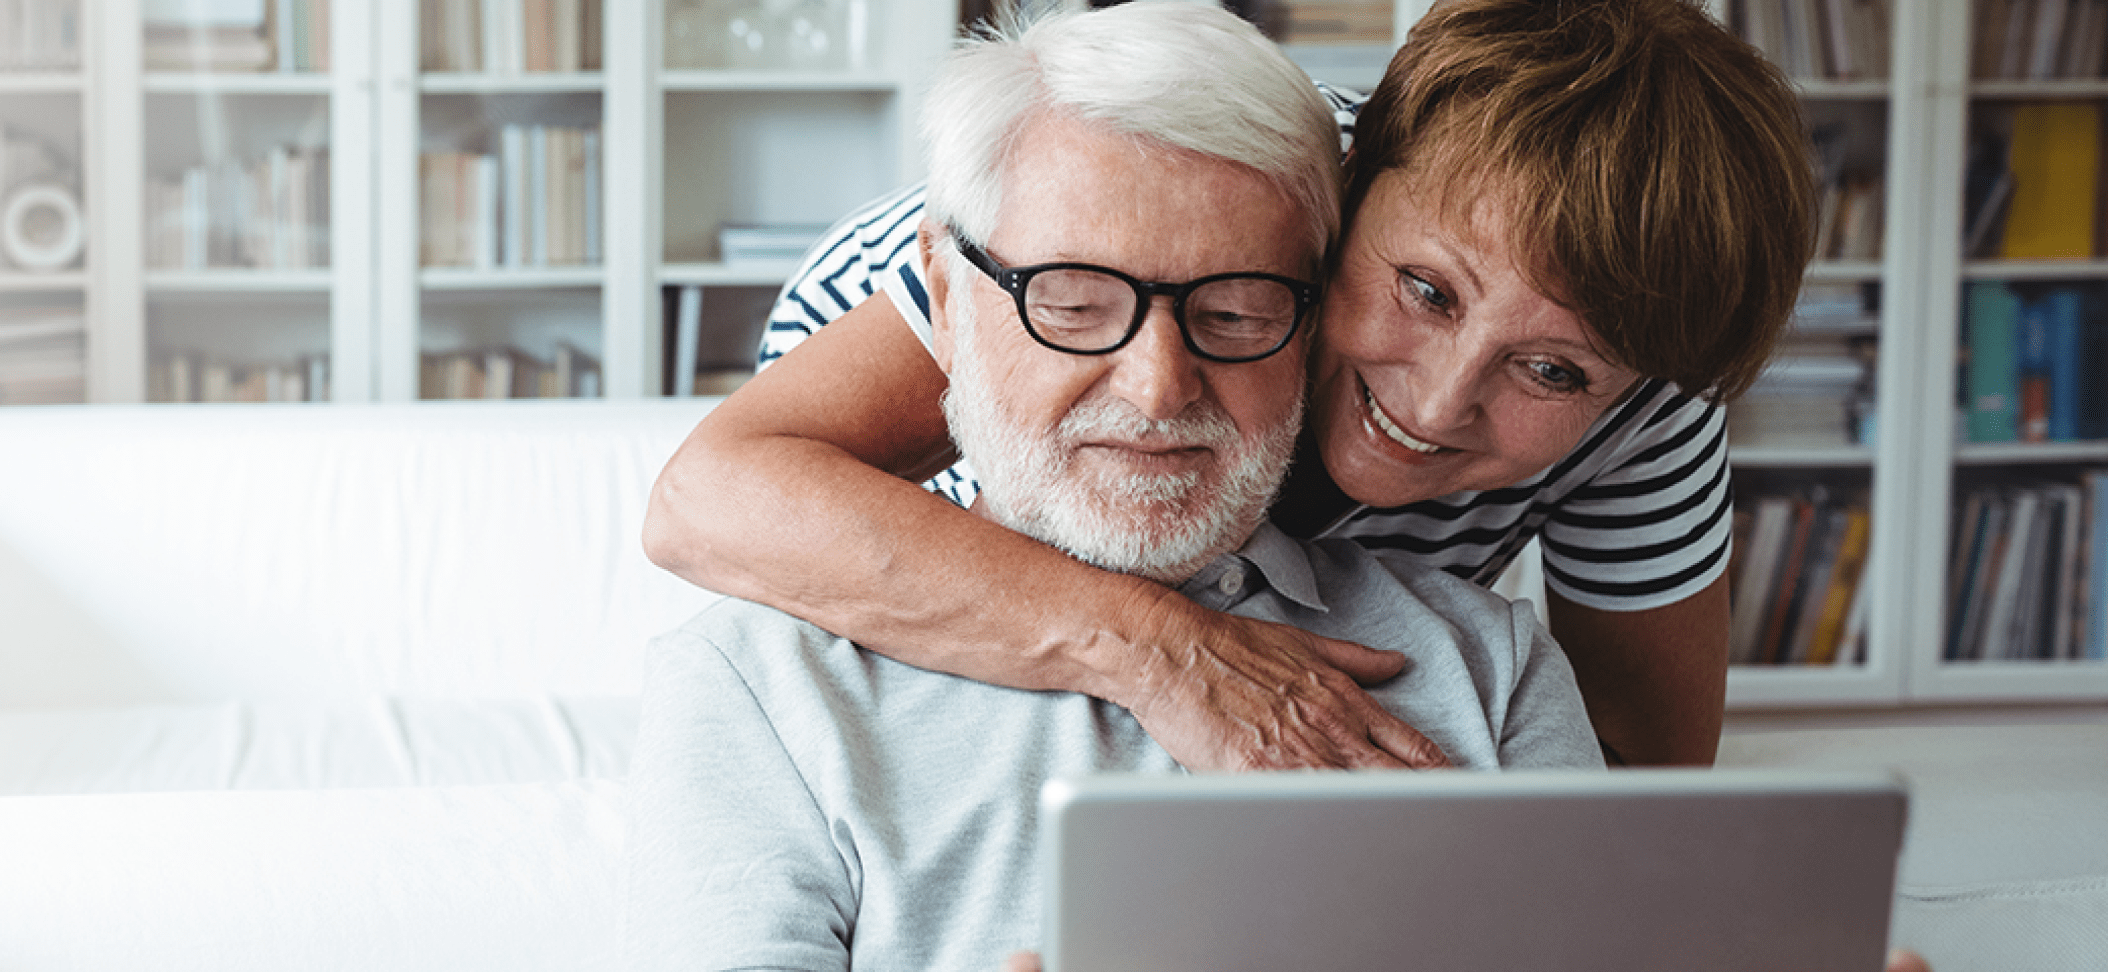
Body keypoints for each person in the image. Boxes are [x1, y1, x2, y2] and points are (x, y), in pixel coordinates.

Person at [628, 8, 1601, 966]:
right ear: (945, 292)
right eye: (1074, 304)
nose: (1158, 388)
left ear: (1312, 322)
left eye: (1235, 310)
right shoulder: (757, 689)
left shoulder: (1492, 668)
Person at [643, 0, 1815, 769]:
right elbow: (712, 498)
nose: (1439, 402)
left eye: (1552, 370)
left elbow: (1642, 790)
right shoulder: (1124, 236)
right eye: (1425, 291)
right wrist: (1160, 646)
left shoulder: (1651, 390)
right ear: (1350, 188)